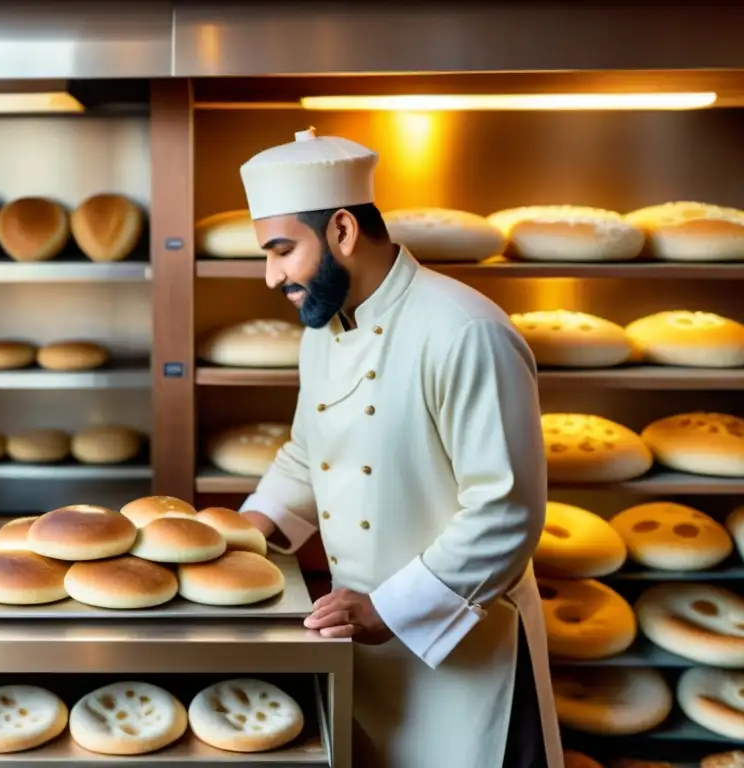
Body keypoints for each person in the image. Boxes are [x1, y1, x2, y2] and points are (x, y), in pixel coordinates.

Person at [235, 127, 564, 768]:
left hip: (464, 648)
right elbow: (310, 451)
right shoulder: (324, 330)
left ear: (342, 232)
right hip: (361, 639)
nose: (270, 277)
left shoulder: (464, 330)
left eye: (281, 252)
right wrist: (249, 530)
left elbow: (507, 512)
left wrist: (392, 606)